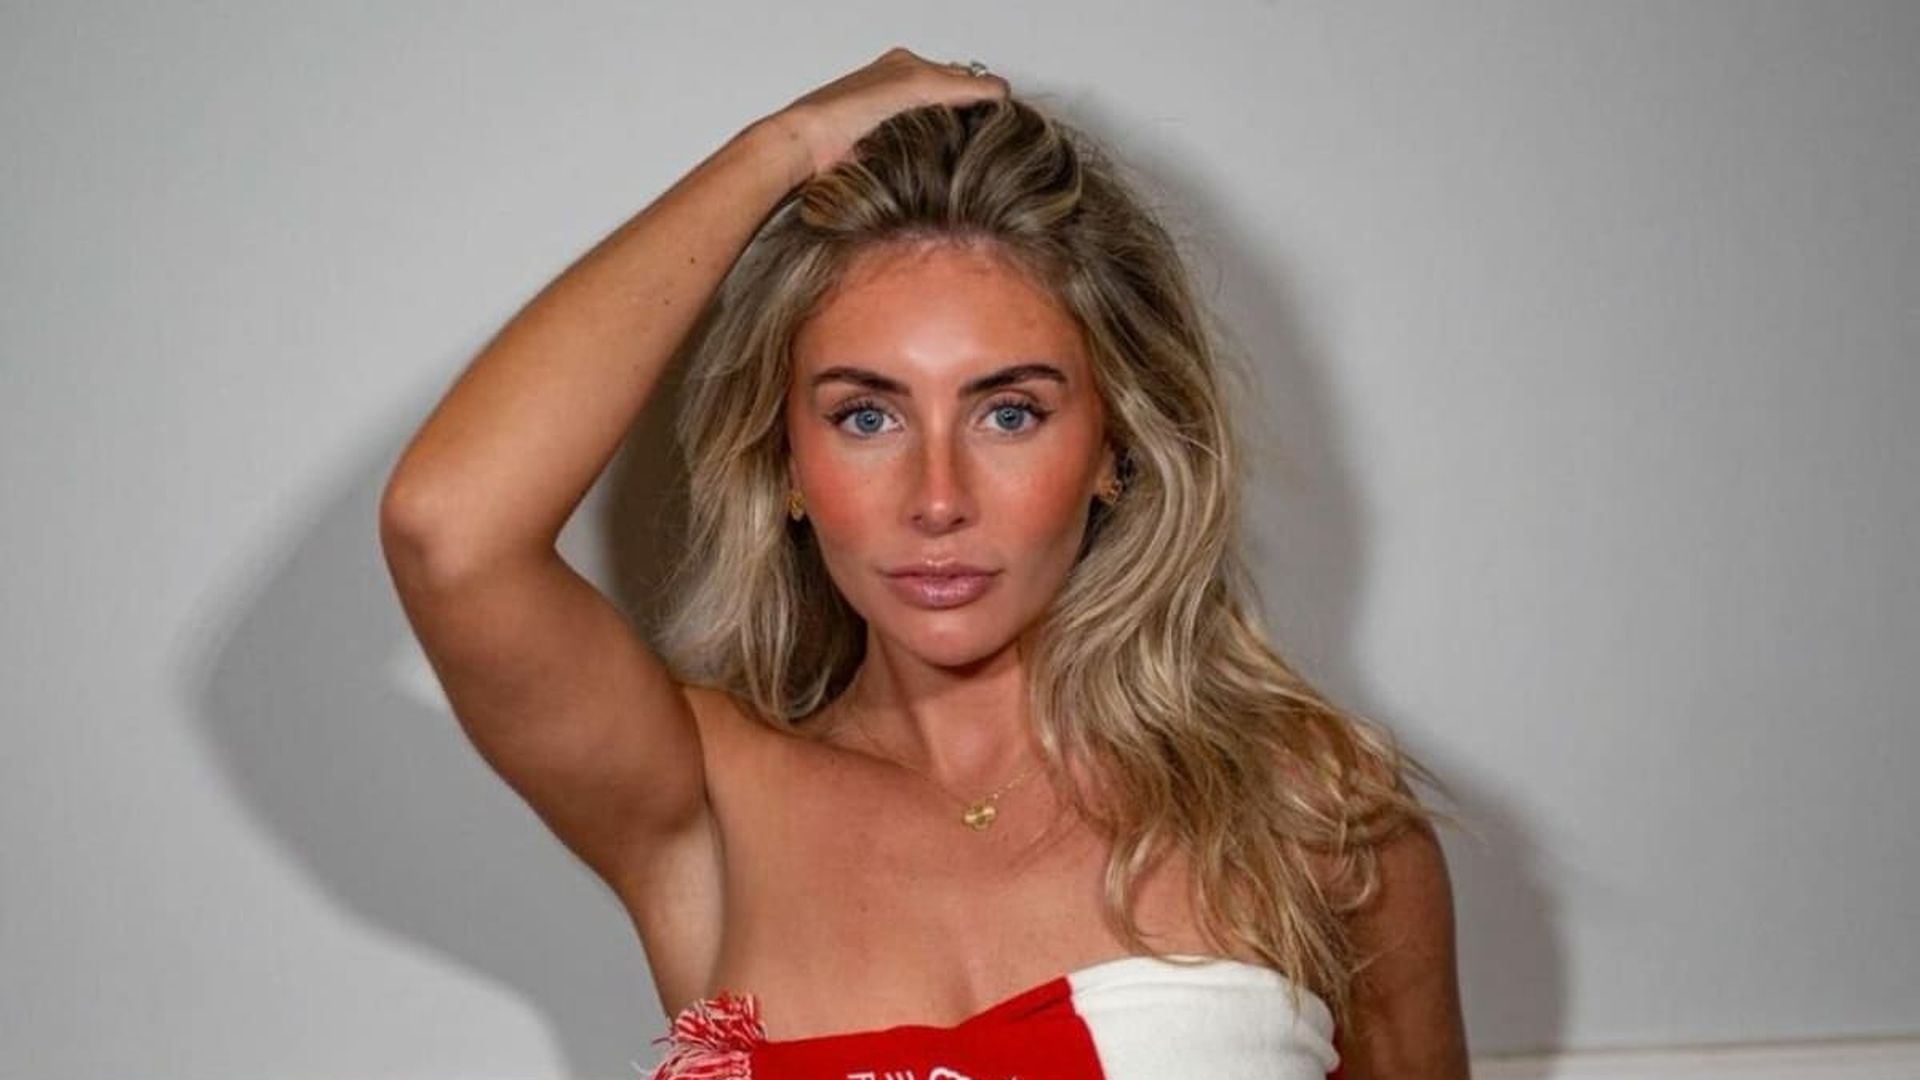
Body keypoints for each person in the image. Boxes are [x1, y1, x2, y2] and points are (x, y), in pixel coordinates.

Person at [379, 46, 1470, 1080]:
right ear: (787, 462)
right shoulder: (709, 799)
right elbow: (448, 531)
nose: (937, 500)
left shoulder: (1315, 824)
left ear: (1115, 449)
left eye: (1009, 412)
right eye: (866, 416)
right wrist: (781, 148)